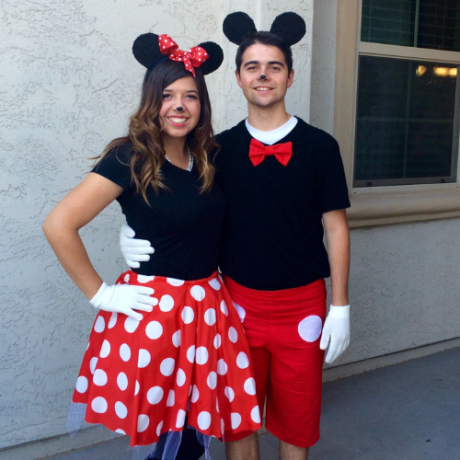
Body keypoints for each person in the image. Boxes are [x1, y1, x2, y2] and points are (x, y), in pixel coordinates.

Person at [121, 11, 351, 460]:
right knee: (237, 417)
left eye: (274, 66)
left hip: (302, 303)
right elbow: (175, 201)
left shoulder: (321, 146)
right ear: (239, 77)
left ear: (289, 75)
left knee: (297, 421)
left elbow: (335, 227)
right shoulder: (214, 150)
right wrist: (129, 232)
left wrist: (340, 304)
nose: (263, 75)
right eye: (253, 66)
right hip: (234, 305)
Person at [43, 29, 262, 459]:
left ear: (202, 104)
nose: (179, 105)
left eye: (191, 95)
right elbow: (59, 225)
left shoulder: (207, 158)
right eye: (167, 95)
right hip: (159, 315)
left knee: (197, 430)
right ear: (151, 101)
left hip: (208, 308)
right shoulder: (130, 157)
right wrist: (101, 293)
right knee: (168, 431)